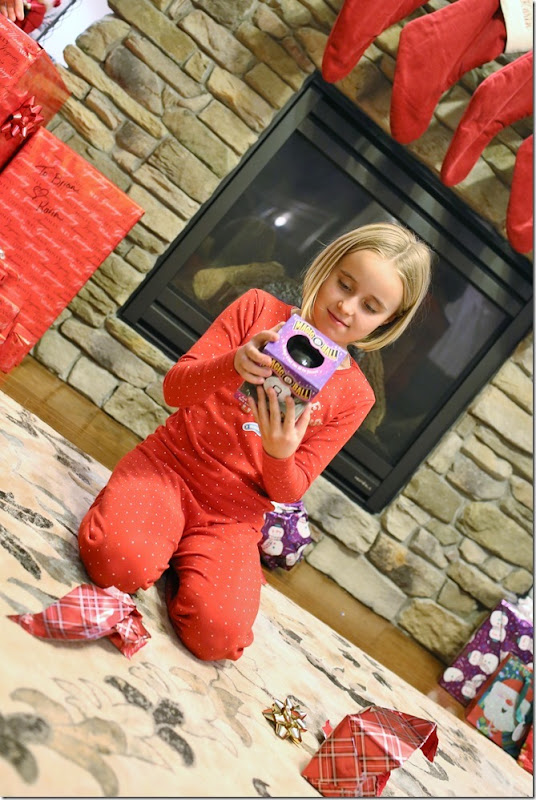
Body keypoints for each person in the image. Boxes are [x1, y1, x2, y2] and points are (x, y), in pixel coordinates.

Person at [78, 222, 432, 662]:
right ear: (327, 268)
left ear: (387, 321)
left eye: (371, 306)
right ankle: (155, 537)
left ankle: (178, 558)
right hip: (169, 468)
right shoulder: (258, 309)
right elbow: (174, 390)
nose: (346, 306)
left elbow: (288, 490)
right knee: (115, 563)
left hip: (233, 517)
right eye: (344, 284)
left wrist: (280, 455)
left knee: (219, 638)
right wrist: (232, 364)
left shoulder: (355, 395)